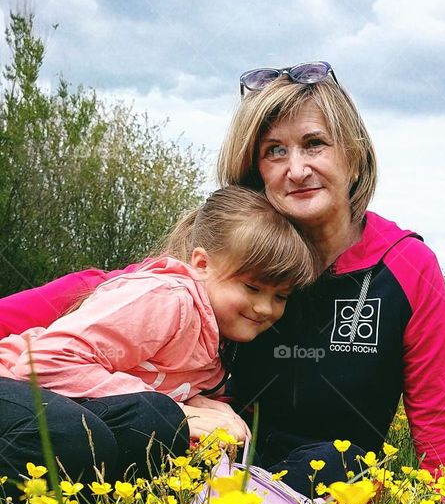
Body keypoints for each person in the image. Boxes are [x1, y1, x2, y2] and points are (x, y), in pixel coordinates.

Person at [0, 61, 445, 496]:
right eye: (274, 151)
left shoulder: (406, 264)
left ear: (353, 154)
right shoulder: (235, 249)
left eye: (315, 143)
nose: (297, 169)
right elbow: (103, 290)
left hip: (326, 475)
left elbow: (437, 416)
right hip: (200, 460)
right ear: (256, 171)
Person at [0, 187, 315, 486]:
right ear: (202, 264)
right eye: (252, 288)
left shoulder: (218, 335)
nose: (264, 308)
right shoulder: (167, 299)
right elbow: (42, 362)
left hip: (52, 403)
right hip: (12, 384)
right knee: (102, 429)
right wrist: (178, 409)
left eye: (281, 297)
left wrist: (198, 403)